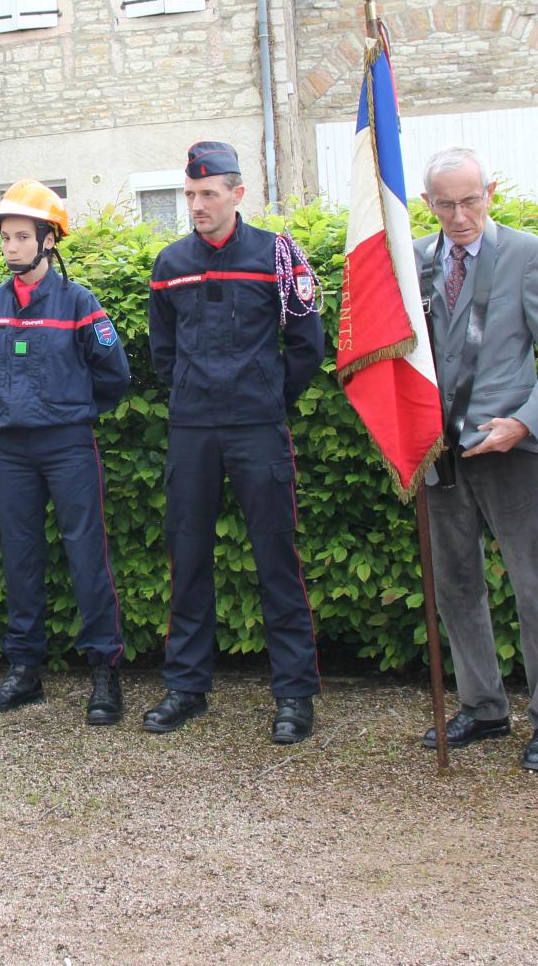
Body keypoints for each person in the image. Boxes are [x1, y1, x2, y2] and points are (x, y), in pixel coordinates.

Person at [414, 146, 538, 772]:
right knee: (457, 585)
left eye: (470, 200)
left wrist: (525, 422)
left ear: (490, 192)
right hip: (441, 453)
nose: (459, 216)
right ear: (428, 202)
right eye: (445, 203)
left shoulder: (525, 253)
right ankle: (483, 706)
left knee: (535, 583)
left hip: (509, 445)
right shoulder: (416, 259)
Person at [144, 142, 326, 743]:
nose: (196, 204)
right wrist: (193, 394)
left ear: (237, 194)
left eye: (208, 194)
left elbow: (306, 342)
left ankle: (295, 696)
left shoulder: (276, 253)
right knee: (188, 558)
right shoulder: (170, 262)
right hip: (193, 429)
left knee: (277, 560)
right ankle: (186, 688)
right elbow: (163, 352)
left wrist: (267, 397)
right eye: (190, 195)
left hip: (256, 428)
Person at [0, 180, 132, 724]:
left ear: (48, 241)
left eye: (21, 237)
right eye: (6, 238)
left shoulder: (79, 302)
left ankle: (105, 674)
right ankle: (24, 672)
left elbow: (114, 375)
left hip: (67, 446)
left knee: (87, 554)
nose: (11, 247)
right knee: (20, 556)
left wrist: (71, 410)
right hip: (10, 448)